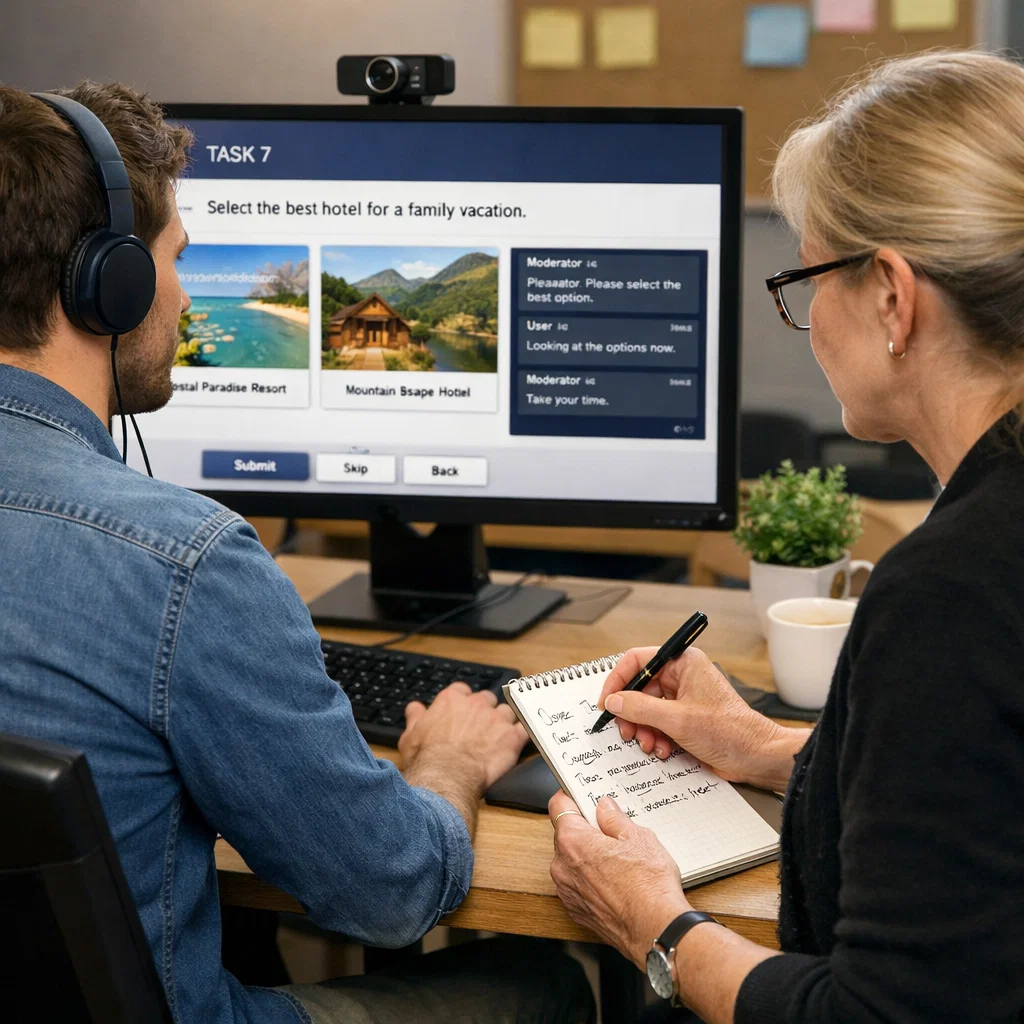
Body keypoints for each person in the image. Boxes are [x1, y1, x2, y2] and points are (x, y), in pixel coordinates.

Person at [0, 82, 593, 1024]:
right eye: (176, 259)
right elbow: (390, 896)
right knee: (549, 986)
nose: (186, 292)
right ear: (109, 283)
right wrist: (446, 762)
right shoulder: (180, 564)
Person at [547, 50, 1024, 1023]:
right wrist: (768, 747)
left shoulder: (951, 590)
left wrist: (655, 924)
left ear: (892, 296)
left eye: (809, 279)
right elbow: (980, 805)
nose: (805, 319)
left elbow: (881, 1014)